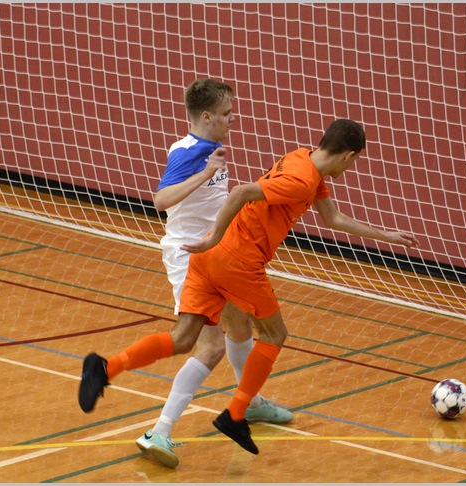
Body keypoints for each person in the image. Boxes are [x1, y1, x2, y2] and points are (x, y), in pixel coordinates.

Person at [79, 118, 420, 456]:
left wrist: (386, 236)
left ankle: (107, 367)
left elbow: (333, 218)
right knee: (274, 334)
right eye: (355, 161)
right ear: (348, 155)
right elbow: (241, 192)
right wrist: (213, 236)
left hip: (209, 260)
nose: (352, 167)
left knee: (184, 338)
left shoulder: (302, 159)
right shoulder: (302, 180)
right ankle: (235, 414)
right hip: (237, 261)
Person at [78, 78, 292, 468]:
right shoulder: (192, 152)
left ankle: (252, 403)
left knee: (240, 327)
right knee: (203, 346)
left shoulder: (207, 148)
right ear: (206, 116)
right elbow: (161, 200)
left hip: (221, 255)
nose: (232, 119)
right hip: (190, 257)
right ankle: (151, 420)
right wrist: (205, 173)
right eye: (226, 113)